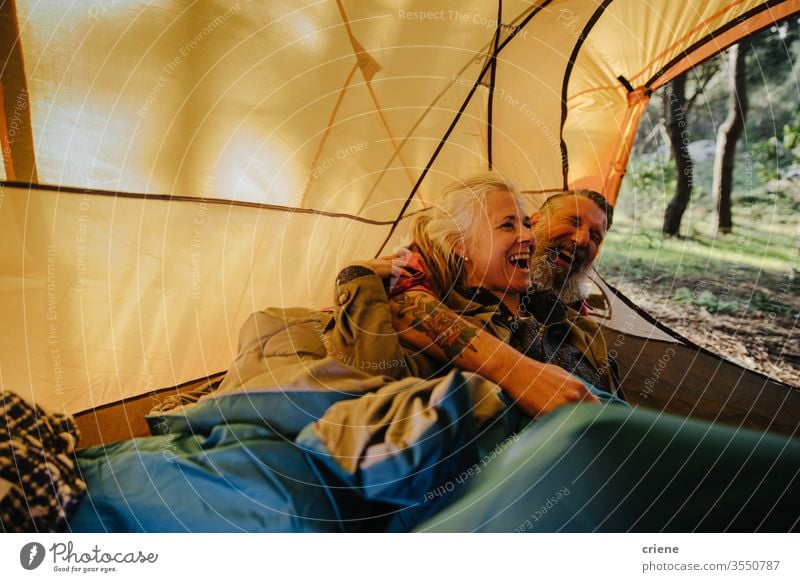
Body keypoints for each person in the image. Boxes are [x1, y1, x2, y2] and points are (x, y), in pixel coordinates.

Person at [528, 189, 612, 308]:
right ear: (535, 222)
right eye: (573, 222)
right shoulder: (494, 282)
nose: (582, 240)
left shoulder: (579, 318)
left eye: (594, 237)